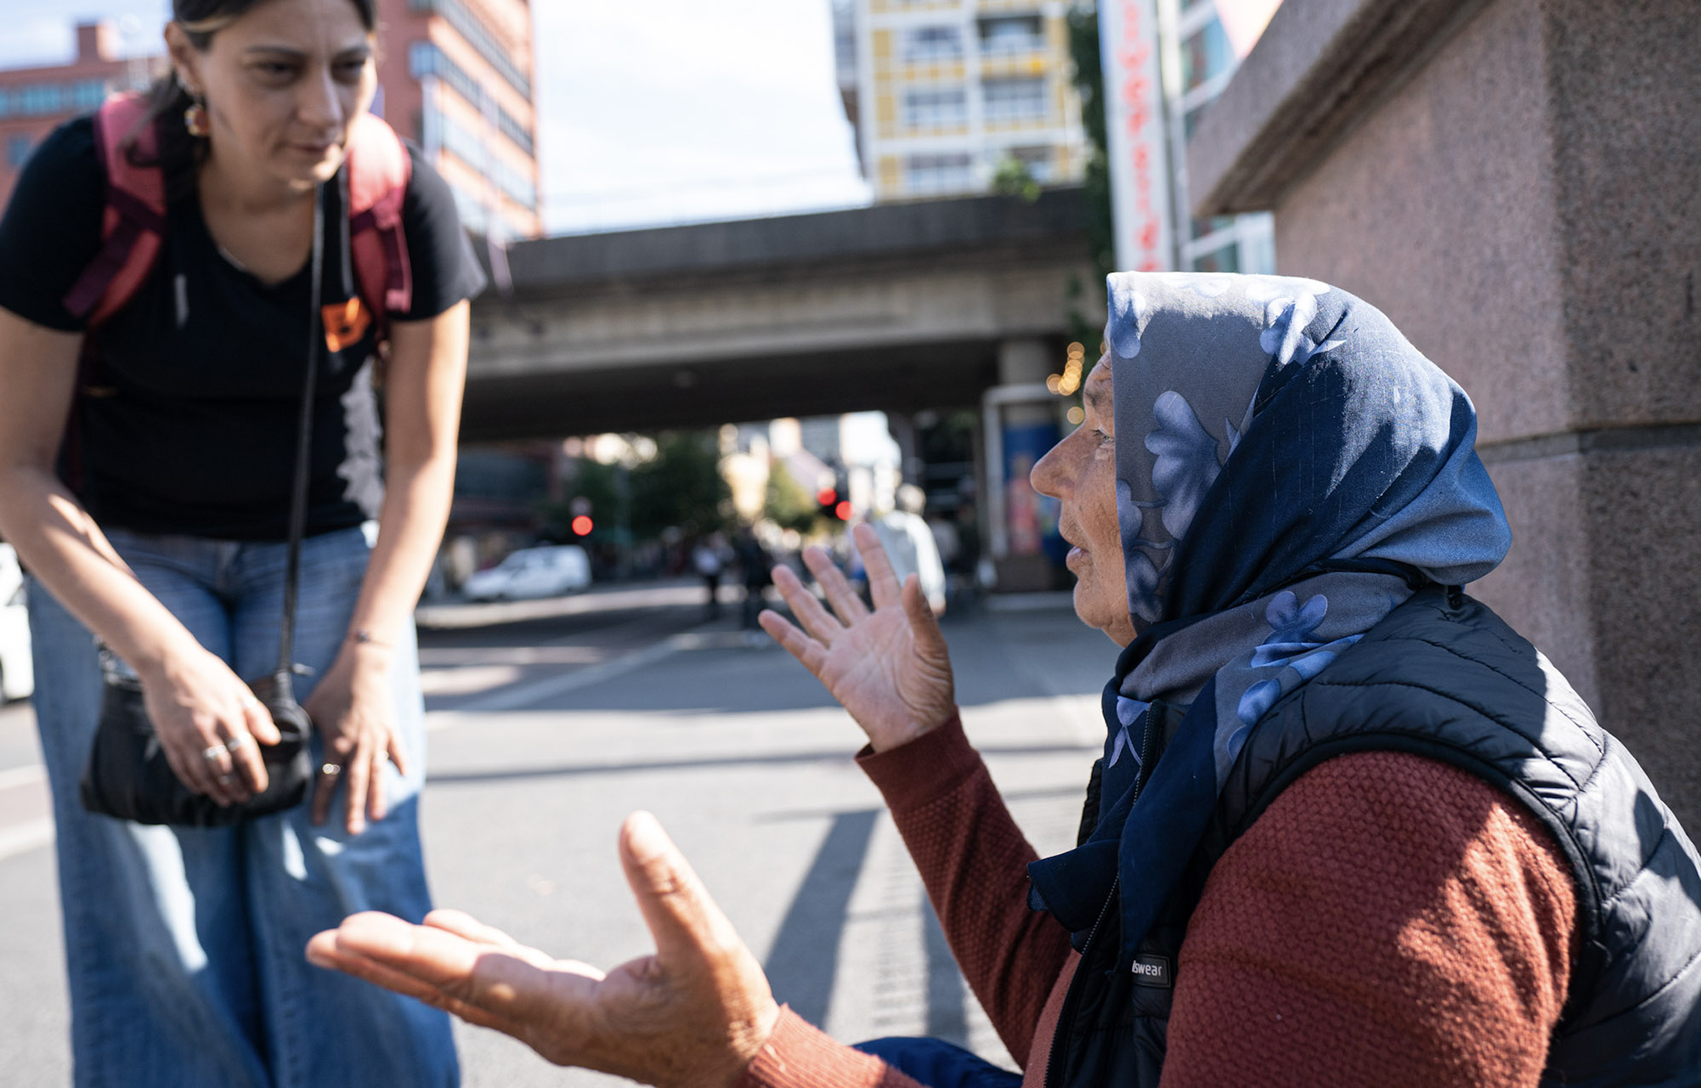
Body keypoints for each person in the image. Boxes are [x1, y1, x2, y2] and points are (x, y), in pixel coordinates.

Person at [305, 274, 1701, 1086]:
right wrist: (924, 750)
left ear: (1236, 477)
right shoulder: (1272, 685)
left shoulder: (1380, 824)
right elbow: (1077, 1040)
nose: (1048, 474)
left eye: (1104, 431)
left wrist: (742, 1055)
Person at [0, 0, 483, 1083]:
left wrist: (374, 652)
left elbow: (424, 461)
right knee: (160, 891)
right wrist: (160, 659)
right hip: (120, 553)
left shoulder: (401, 200)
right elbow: (14, 466)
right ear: (187, 57)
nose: (323, 107)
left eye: (349, 66)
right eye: (277, 69)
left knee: (352, 860)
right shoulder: (80, 181)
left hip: (326, 544)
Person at [871, 484, 947, 616]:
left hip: (887, 592)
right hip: (916, 594)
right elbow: (927, 562)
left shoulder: (880, 526)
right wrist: (935, 594)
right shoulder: (917, 527)